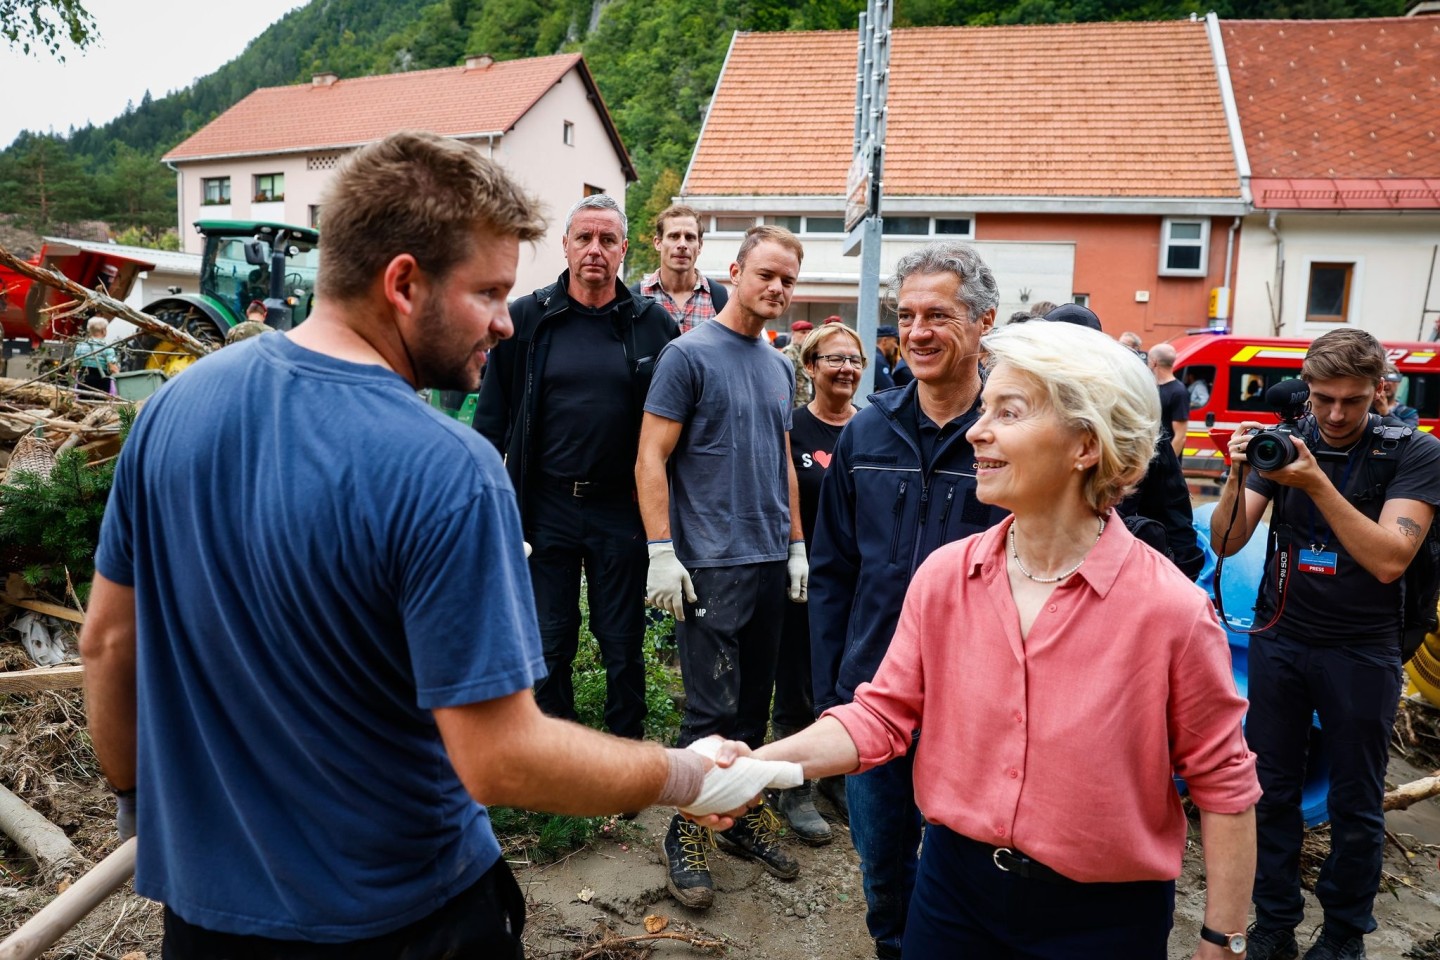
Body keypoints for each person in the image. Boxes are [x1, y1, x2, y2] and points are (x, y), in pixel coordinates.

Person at [81, 131, 738, 959]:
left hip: (206, 917)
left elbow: (107, 642)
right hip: (400, 918)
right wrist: (681, 773)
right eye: (490, 291)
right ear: (402, 283)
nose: (506, 322)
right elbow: (499, 757)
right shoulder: (448, 469)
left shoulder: (175, 409)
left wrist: (140, 799)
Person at [737, 320, 1260, 959]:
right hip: (952, 895)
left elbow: (1224, 786)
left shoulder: (1172, 613)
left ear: (1085, 445)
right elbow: (881, 716)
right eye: (985, 410)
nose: (977, 431)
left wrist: (1222, 942)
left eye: (1007, 413)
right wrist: (753, 767)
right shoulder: (946, 577)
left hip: (1105, 922)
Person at [1211, 328, 1440, 960]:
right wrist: (1239, 472)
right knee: (1271, 792)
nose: (1335, 415)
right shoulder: (1291, 441)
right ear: (1306, 391)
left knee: (1356, 801)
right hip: (1281, 638)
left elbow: (1391, 559)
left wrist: (1314, 484)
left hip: (1363, 647)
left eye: (1352, 401)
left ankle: (1343, 935)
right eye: (1322, 399)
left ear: (1379, 392)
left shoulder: (1414, 453)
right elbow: (1228, 540)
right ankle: (1274, 922)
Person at [809, 242, 1009, 959]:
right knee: (883, 867)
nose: (918, 331)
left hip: (981, 704)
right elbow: (833, 571)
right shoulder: (867, 431)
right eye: (908, 314)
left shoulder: (1011, 436)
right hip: (875, 691)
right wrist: (832, 688)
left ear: (985, 321)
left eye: (940, 316)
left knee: (972, 867)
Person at [637, 224, 809, 910]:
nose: (775, 288)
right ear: (734, 271)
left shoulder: (777, 365)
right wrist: (659, 550)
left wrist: (796, 545)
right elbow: (650, 456)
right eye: (765, 274)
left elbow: (784, 464)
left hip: (768, 558)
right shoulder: (687, 356)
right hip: (710, 562)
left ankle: (736, 820)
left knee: (751, 711)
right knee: (708, 714)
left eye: (787, 280)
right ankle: (687, 833)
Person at [474, 194, 677, 743]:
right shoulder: (528, 318)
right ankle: (556, 752)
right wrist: (490, 509)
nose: (595, 250)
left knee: (622, 640)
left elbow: (675, 430)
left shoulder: (652, 325)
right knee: (549, 638)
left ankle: (624, 751)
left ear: (625, 250)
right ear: (565, 246)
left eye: (607, 240)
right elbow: (491, 421)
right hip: (546, 507)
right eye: (584, 238)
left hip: (621, 508)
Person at [772, 322, 866, 844]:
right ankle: (795, 784)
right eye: (834, 359)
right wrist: (794, 550)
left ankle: (835, 775)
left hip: (853, 579)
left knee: (844, 677)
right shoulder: (792, 427)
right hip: (802, 574)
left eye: (854, 360)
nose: (846, 368)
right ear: (810, 367)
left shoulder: (870, 427)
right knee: (796, 677)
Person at [1045, 304, 1203, 581]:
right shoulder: (1019, 423)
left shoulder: (1136, 425)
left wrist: (1180, 581)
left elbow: (1173, 512)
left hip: (1118, 580)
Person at [630, 203, 728, 332]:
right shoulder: (635, 298)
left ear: (700, 245)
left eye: (690, 237)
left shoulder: (718, 297)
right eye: (674, 236)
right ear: (658, 243)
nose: (682, 244)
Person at [1150, 342, 1191, 459]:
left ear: (1154, 362)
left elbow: (1180, 436)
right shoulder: (1152, 388)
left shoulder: (1179, 392)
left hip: (1165, 464)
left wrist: (1168, 464)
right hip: (1151, 459)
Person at [74, 317, 118, 395]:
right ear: (103, 330)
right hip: (101, 383)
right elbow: (112, 368)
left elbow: (74, 367)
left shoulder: (80, 346)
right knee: (100, 405)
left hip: (83, 381)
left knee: (83, 405)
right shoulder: (107, 348)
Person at [782, 319, 814, 406]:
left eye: (809, 333)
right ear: (793, 334)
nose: (807, 335)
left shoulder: (806, 352)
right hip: (795, 403)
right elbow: (786, 381)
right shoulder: (790, 352)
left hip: (805, 401)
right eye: (803, 332)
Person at [873, 324, 899, 390]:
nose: (896, 346)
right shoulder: (878, 360)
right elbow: (890, 389)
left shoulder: (874, 356)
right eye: (895, 341)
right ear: (884, 341)